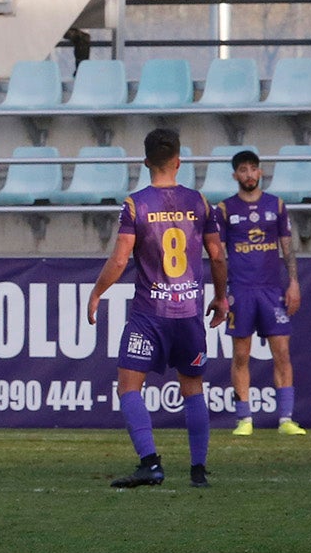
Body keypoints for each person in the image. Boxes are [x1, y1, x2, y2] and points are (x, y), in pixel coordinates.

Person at [86, 128, 228, 489]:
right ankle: (198, 470)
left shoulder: (136, 204)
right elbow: (217, 255)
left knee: (129, 386)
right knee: (192, 387)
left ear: (146, 161)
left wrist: (97, 293)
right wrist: (222, 296)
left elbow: (120, 258)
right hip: (189, 314)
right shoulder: (200, 202)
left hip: (150, 314)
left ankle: (150, 463)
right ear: (179, 161)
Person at [214, 150, 305, 437]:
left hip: (271, 289)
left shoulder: (276, 205)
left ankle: (286, 419)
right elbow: (219, 255)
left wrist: (293, 282)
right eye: (243, 170)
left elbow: (287, 246)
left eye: (254, 169)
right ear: (235, 175)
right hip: (241, 290)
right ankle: (244, 419)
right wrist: (223, 292)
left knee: (282, 352)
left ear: (261, 172)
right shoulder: (225, 209)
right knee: (241, 355)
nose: (249, 174)